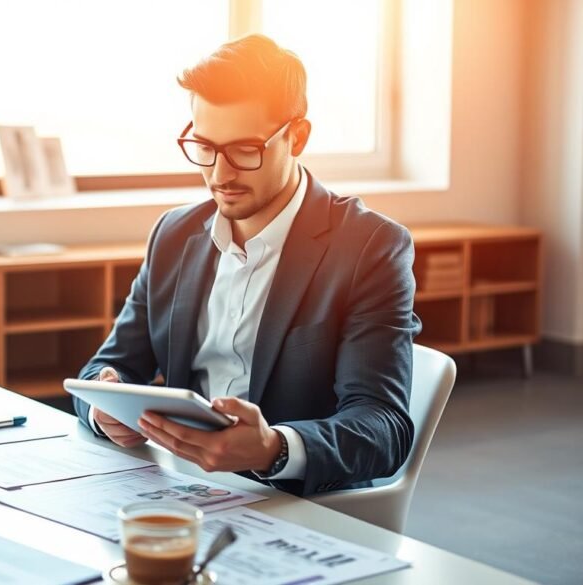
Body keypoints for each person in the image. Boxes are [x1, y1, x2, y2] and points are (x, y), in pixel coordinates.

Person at [73, 34, 422, 497]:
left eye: (244, 150)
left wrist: (274, 448)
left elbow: (383, 427)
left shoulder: (370, 247)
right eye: (204, 146)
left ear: (297, 137)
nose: (220, 174)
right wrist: (104, 406)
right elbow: (111, 365)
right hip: (175, 487)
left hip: (298, 500)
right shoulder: (174, 234)